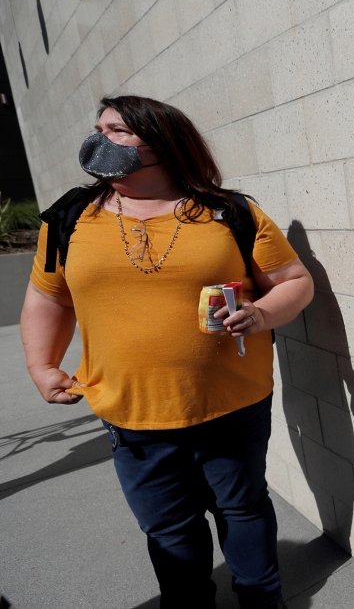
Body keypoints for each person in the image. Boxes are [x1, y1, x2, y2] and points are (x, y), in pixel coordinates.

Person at [21, 96, 314, 607]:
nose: (99, 139)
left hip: (232, 404)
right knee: (168, 528)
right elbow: (48, 297)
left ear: (163, 142)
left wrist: (263, 314)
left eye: (117, 131)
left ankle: (261, 599)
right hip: (132, 412)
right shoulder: (69, 217)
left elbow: (294, 281)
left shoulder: (230, 212)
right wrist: (42, 366)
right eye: (98, 128)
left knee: (242, 509)